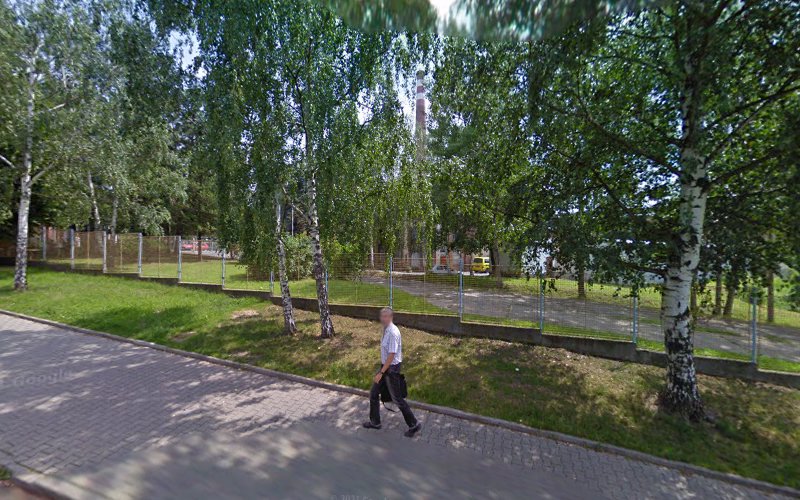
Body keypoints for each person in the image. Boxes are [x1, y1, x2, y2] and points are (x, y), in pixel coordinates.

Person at [363, 307, 422, 438]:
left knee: (397, 399)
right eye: (382, 316)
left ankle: (414, 424)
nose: (383, 319)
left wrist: (381, 372)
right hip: (385, 367)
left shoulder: (393, 332)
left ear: (391, 317)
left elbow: (391, 355)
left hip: (391, 369)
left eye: (385, 316)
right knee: (373, 393)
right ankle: (375, 422)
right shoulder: (385, 329)